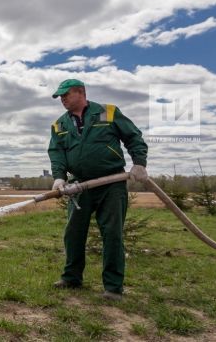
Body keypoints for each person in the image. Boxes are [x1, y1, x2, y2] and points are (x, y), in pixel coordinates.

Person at [47, 79, 148, 300]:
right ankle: (71, 278)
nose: (62, 99)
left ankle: (113, 288)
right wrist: (58, 178)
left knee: (112, 234)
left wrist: (139, 163)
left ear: (81, 92)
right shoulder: (60, 125)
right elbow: (56, 153)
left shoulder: (108, 113)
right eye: (60, 97)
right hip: (79, 186)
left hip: (111, 183)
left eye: (66, 95)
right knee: (73, 233)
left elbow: (133, 137)